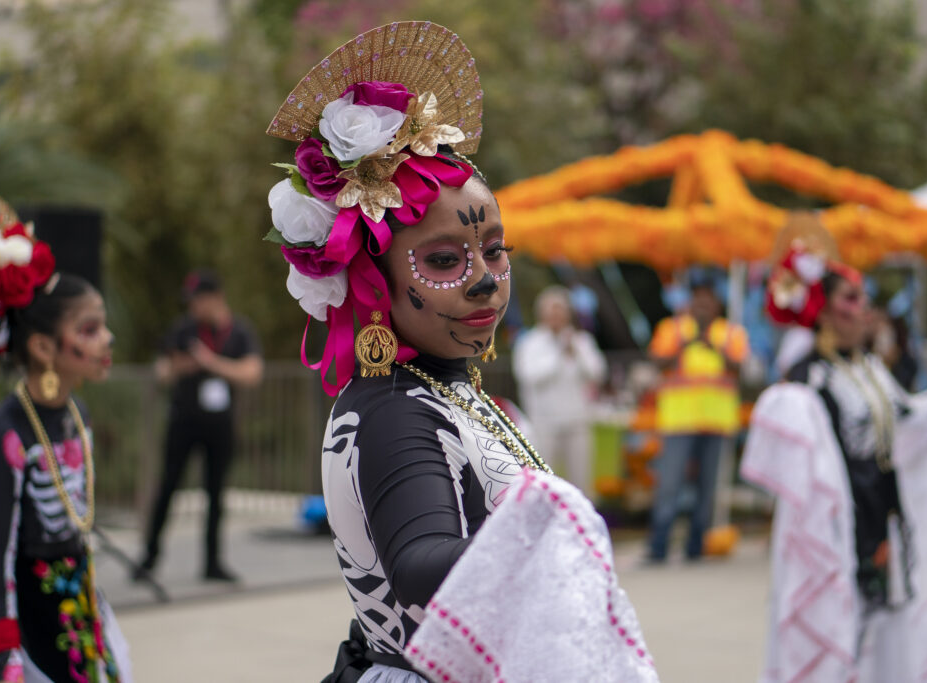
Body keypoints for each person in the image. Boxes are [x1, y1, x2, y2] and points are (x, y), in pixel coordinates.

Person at [264, 21, 659, 683]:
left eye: (494, 251)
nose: (483, 278)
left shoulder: (441, 390)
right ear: (374, 281)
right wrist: (553, 526)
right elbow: (421, 566)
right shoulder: (393, 410)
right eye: (444, 260)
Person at [743, 213, 927, 682]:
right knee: (842, 628)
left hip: (886, 517)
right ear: (823, 309)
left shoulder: (870, 367)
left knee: (889, 628)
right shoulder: (807, 378)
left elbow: (911, 425)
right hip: (840, 525)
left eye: (863, 298)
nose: (864, 308)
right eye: (851, 298)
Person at [0, 193, 132, 682]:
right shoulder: (5, 435)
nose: (108, 340)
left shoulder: (77, 415)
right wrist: (4, 650)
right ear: (42, 346)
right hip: (26, 617)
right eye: (91, 329)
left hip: (78, 606)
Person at [135, 270, 262, 583]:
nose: (193, 307)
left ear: (215, 298)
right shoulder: (184, 329)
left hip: (220, 426)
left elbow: (252, 372)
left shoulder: (239, 331)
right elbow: (162, 371)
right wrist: (180, 366)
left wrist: (211, 362)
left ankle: (212, 563)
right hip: (183, 422)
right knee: (167, 487)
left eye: (198, 300)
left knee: (216, 494)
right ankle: (148, 558)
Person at [646, 269, 749, 562]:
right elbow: (657, 361)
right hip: (679, 421)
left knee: (708, 487)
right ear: (690, 303)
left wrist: (714, 346)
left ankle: (695, 547)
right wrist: (686, 345)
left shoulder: (731, 333)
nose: (703, 305)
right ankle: (659, 546)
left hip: (717, 423)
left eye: (709, 300)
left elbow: (742, 369)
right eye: (698, 300)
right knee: (670, 485)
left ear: (717, 305)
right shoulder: (673, 329)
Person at [512, 286, 606, 496]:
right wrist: (558, 353)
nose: (556, 315)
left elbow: (597, 373)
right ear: (542, 313)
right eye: (551, 310)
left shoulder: (580, 340)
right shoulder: (530, 342)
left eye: (560, 310)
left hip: (577, 421)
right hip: (544, 423)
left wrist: (576, 353)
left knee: (581, 481)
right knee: (541, 480)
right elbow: (530, 376)